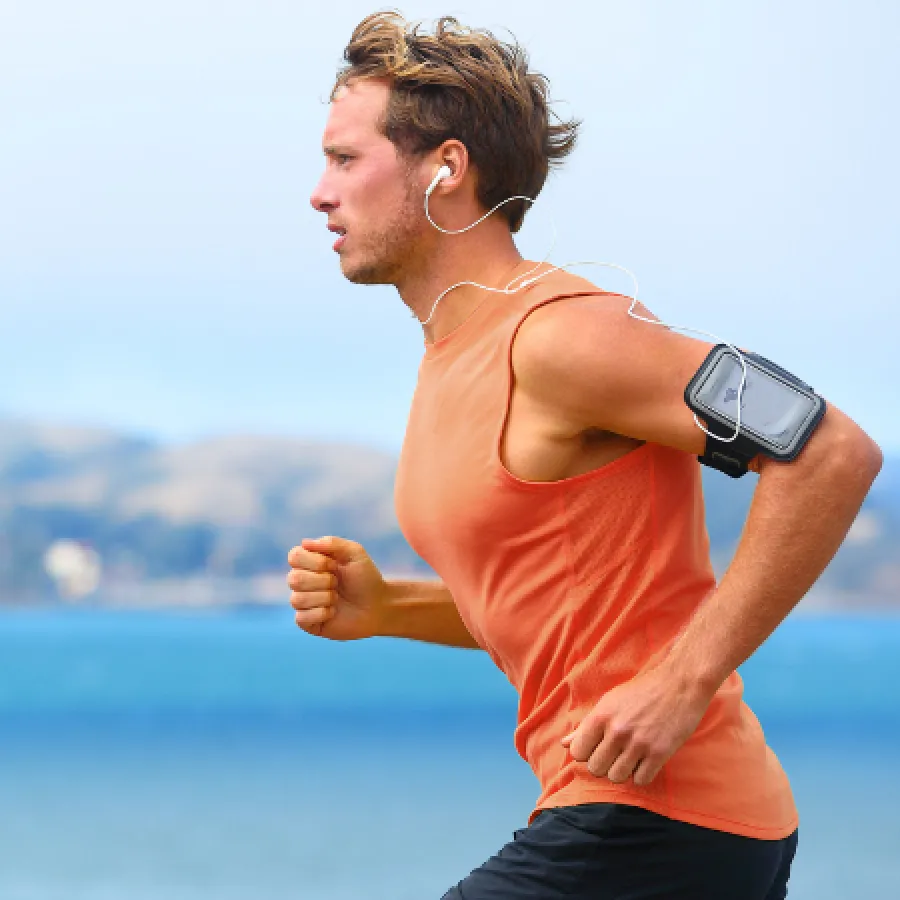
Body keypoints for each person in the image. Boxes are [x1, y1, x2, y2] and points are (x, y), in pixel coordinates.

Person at [289, 12, 882, 899]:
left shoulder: (567, 336)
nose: (318, 194)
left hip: (659, 818)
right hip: (648, 822)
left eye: (344, 159)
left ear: (445, 168)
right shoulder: (456, 352)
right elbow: (563, 602)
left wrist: (683, 683)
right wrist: (391, 607)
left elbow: (832, 450)